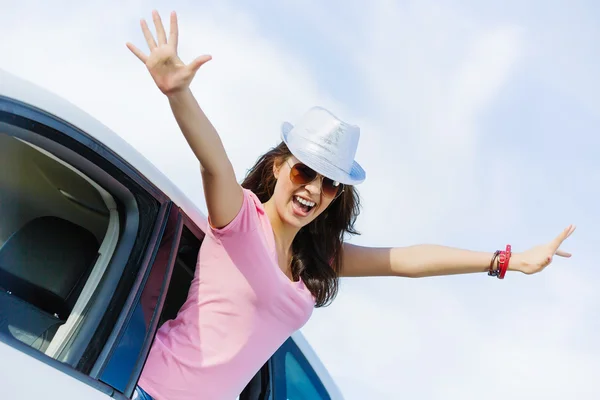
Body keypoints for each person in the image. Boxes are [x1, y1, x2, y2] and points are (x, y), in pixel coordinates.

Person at [126, 10, 576, 400]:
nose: (312, 190)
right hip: (152, 390)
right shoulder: (241, 218)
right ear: (279, 168)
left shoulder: (314, 262)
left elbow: (407, 260)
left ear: (337, 195)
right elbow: (213, 159)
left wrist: (506, 262)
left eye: (328, 184)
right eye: (304, 172)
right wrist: (177, 93)